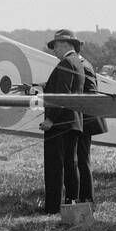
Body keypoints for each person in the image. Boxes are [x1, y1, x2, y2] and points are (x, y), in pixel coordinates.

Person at [40, 29, 85, 216]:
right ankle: (71, 203)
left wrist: (50, 118)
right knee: (70, 165)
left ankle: (52, 207)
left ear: (66, 45)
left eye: (56, 46)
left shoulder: (66, 63)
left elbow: (62, 95)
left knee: (55, 166)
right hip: (73, 122)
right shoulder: (78, 62)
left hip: (60, 124)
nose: (54, 51)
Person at [75, 55, 105, 205]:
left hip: (84, 121)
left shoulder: (83, 66)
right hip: (82, 120)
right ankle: (84, 196)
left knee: (82, 160)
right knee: (80, 159)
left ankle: (87, 198)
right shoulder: (83, 64)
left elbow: (90, 93)